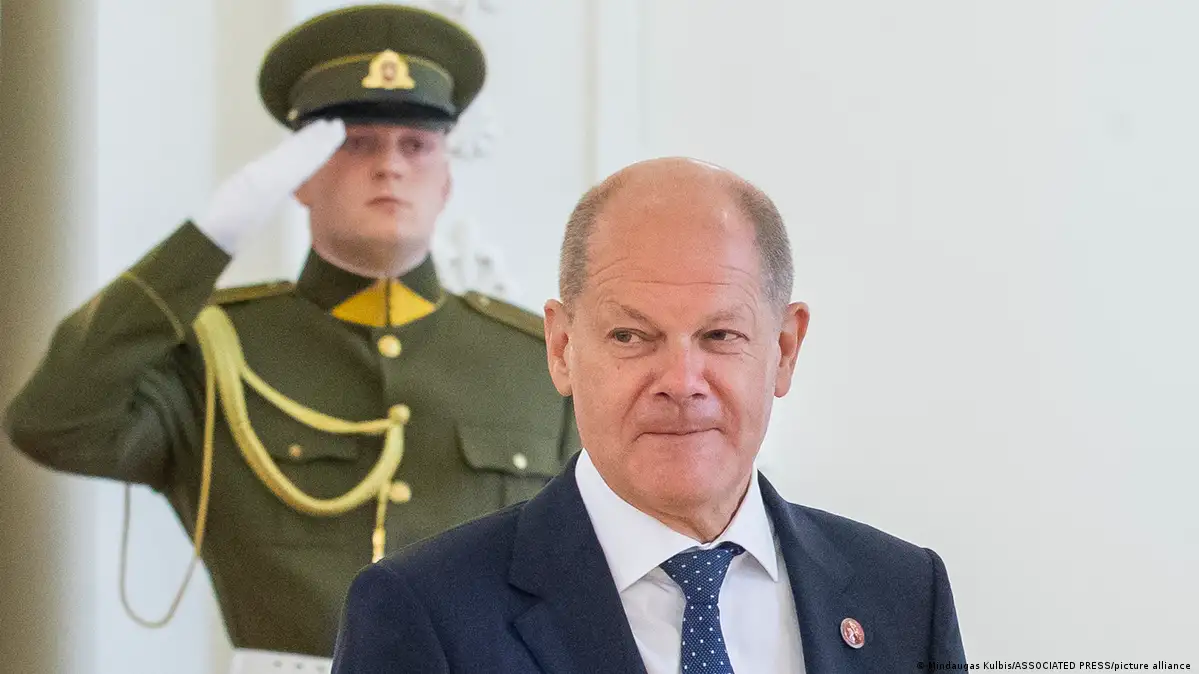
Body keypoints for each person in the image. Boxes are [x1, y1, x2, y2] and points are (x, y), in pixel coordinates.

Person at [2, 4, 580, 666]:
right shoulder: (216, 356)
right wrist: (209, 239)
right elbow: (52, 422)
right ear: (299, 175)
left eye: (416, 146)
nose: (390, 167)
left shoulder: (533, 361)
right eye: (356, 143)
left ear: (445, 180)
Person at [330, 157, 968, 673]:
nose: (681, 383)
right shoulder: (425, 612)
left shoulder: (905, 595)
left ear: (785, 349)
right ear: (561, 348)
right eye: (631, 337)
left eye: (720, 335)